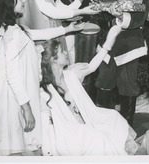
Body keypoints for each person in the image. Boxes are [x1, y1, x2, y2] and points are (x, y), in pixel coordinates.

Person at [0, 0, 84, 156]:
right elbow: (13, 75)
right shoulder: (13, 35)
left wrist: (67, 29)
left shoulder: (13, 29)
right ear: (8, 3)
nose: (23, 0)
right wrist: (27, 109)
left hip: (8, 98)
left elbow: (40, 34)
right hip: (11, 100)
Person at [39, 25, 138, 155]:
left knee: (113, 117)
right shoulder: (45, 90)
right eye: (61, 52)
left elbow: (92, 67)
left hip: (86, 117)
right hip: (71, 129)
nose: (65, 53)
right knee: (98, 138)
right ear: (53, 60)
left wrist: (108, 43)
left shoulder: (71, 74)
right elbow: (46, 121)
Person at [94, 0, 149, 126]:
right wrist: (105, 8)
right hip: (109, 42)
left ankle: (127, 127)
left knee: (127, 84)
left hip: (129, 43)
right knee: (104, 80)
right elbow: (104, 8)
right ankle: (103, 124)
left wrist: (122, 16)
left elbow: (140, 18)